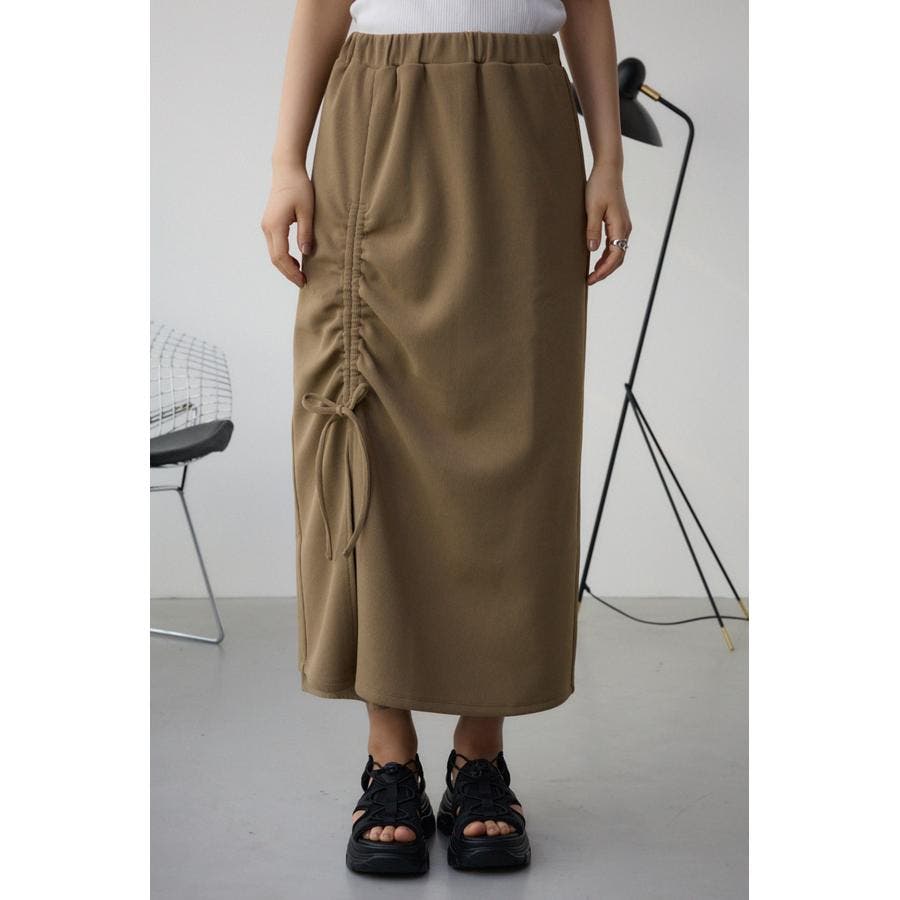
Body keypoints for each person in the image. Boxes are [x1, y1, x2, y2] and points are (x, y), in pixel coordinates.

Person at [261, 0, 630, 875]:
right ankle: (389, 756)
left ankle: (479, 757)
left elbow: (585, 7)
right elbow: (323, 7)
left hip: (526, 126)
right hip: (378, 122)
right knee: (367, 432)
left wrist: (609, 158)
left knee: (516, 440)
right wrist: (285, 162)